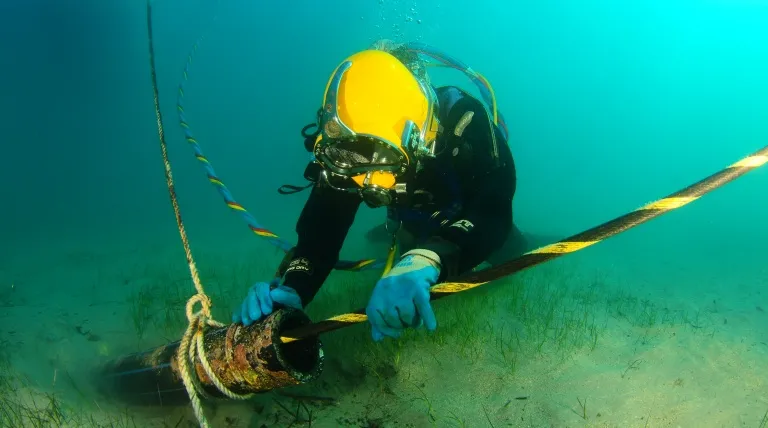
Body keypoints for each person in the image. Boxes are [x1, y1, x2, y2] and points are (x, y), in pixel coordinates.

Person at [233, 42, 528, 341]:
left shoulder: (465, 120)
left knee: (513, 253)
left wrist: (429, 257)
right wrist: (294, 286)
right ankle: (408, 244)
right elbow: (321, 231)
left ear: (420, 137)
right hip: (412, 221)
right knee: (408, 254)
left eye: (382, 160)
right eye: (350, 159)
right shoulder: (348, 146)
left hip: (467, 215)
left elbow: (494, 208)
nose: (365, 183)